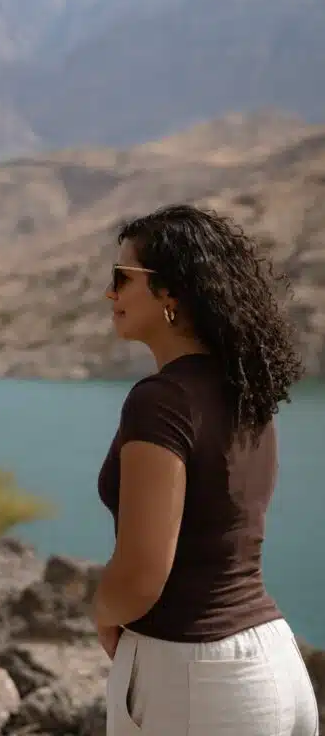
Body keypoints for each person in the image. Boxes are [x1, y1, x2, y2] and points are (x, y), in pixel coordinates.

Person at [93, 204, 319, 735]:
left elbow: (143, 572)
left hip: (198, 678)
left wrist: (103, 613)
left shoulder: (161, 401)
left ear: (170, 293)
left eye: (123, 278)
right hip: (274, 662)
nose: (111, 294)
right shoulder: (245, 390)